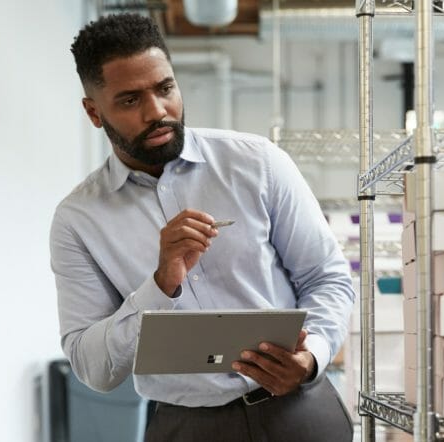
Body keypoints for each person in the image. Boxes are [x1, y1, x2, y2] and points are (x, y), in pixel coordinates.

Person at [50, 13, 355, 442]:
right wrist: (160, 286)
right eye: (130, 100)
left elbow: (328, 277)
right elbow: (92, 367)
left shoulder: (258, 163)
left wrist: (313, 357)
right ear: (94, 113)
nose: (157, 111)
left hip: (298, 409)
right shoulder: (78, 220)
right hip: (187, 427)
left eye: (165, 88)